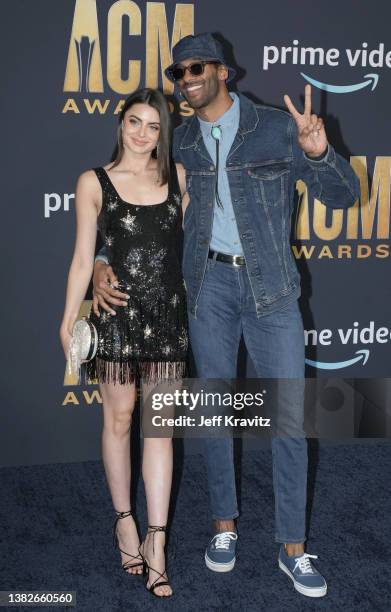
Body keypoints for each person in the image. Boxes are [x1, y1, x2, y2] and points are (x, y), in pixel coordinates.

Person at [93, 34, 360, 598]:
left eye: (196, 67)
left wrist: (318, 151)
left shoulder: (277, 127)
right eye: (178, 71)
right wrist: (99, 259)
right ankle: (224, 526)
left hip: (272, 290)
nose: (186, 77)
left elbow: (342, 195)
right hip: (206, 287)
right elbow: (137, 209)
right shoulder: (181, 139)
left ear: (224, 72)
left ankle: (293, 547)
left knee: (288, 417)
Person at [60, 88, 189, 598]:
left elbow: (192, 249)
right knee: (118, 420)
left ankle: (157, 541)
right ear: (121, 124)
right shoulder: (93, 183)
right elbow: (81, 256)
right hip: (115, 318)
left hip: (167, 319)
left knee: (160, 430)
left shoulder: (179, 179)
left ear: (164, 134)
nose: (142, 134)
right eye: (135, 122)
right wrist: (69, 317)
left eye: (153, 126)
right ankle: (124, 521)